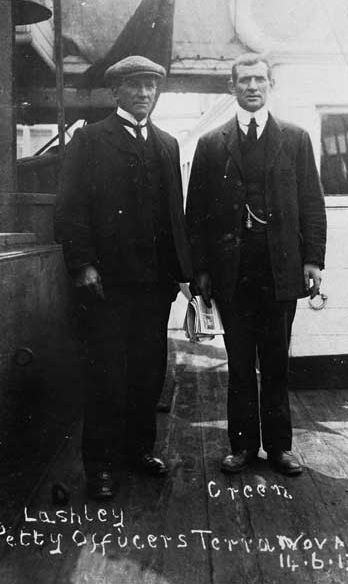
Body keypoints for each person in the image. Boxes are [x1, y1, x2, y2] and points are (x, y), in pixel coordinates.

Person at [54, 55, 192, 499]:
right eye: (134, 86)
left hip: (155, 287)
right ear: (116, 93)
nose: (144, 94)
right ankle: (100, 467)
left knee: (148, 373)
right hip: (107, 286)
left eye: (151, 86)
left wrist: (183, 276)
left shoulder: (167, 145)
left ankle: (138, 450)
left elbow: (174, 216)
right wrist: (83, 264)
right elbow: (70, 209)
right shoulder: (91, 141)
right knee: (106, 375)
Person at [186, 53, 326, 475]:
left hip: (280, 272)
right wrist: (202, 271)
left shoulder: (296, 139)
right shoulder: (212, 145)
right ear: (232, 87)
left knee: (277, 363)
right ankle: (243, 447)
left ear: (270, 86)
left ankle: (279, 448)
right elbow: (197, 216)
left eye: (259, 80)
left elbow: (312, 206)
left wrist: (313, 261)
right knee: (241, 363)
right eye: (244, 80)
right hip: (233, 275)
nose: (252, 86)